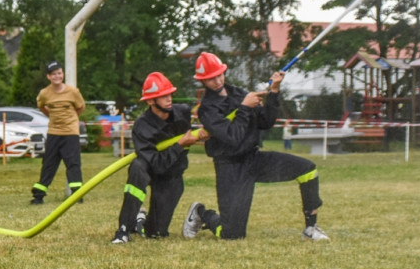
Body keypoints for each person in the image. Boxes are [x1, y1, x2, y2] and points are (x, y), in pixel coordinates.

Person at [182, 52, 329, 241]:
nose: (217, 81)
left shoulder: (240, 93)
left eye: (219, 75)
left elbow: (266, 122)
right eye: (211, 79)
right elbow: (232, 137)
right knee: (232, 235)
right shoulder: (207, 109)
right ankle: (202, 213)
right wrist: (244, 107)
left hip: (254, 158)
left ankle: (311, 228)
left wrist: (274, 91)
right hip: (230, 167)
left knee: (307, 169)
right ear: (202, 81)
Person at [110, 72, 208, 244]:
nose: (169, 99)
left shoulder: (183, 113)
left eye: (169, 94)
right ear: (150, 101)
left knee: (155, 233)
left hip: (172, 175)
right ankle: (123, 230)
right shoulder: (142, 126)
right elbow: (156, 164)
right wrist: (179, 145)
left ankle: (140, 221)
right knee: (137, 167)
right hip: (152, 168)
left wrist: (201, 137)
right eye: (163, 96)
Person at [30, 61, 86, 204]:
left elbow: (80, 108)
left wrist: (71, 119)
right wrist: (53, 116)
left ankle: (77, 195)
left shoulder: (73, 92)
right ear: (49, 76)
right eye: (54, 74)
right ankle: (39, 195)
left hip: (71, 133)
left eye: (59, 73)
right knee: (49, 163)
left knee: (73, 163)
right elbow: (42, 107)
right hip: (54, 132)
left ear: (63, 74)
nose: (57, 76)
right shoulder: (45, 93)